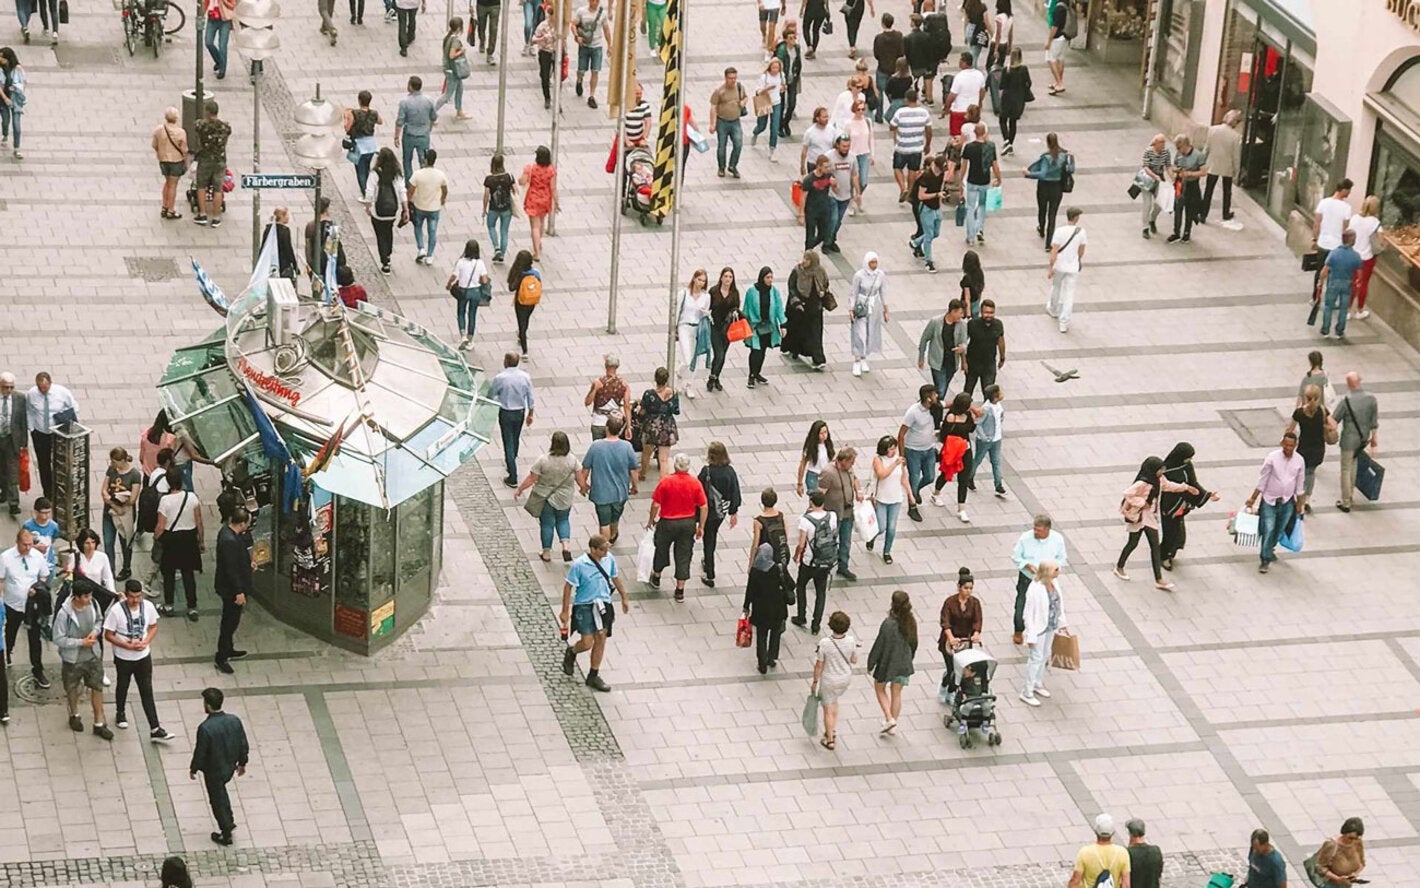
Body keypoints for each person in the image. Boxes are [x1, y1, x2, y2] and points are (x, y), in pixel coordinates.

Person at [103, 579, 173, 742]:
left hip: (143, 656)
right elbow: (108, 635)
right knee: (123, 685)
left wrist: (146, 641)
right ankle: (120, 712)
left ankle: (155, 727)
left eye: (138, 596)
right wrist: (126, 645)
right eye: (132, 597)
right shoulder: (116, 611)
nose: (135, 600)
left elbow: (153, 626)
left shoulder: (147, 607)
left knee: (147, 690)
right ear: (126, 595)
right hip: (123, 657)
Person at [559, 535, 630, 692]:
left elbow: (615, 577)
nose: (606, 552)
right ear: (593, 549)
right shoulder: (579, 565)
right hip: (585, 605)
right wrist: (565, 610)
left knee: (601, 638)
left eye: (607, 549)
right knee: (586, 642)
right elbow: (568, 587)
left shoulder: (609, 559)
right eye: (602, 549)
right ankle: (572, 651)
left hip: (604, 604)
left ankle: (593, 675)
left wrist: (624, 596)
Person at [1115, 456, 1197, 590]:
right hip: (1138, 516)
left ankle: (1159, 579)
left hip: (1150, 518)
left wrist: (1186, 488)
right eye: (1160, 469)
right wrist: (1142, 503)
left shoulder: (1159, 480)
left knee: (1154, 546)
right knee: (1132, 543)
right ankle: (1119, 567)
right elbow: (1128, 494)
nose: (1162, 471)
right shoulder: (1143, 483)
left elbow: (1169, 486)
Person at [189, 687, 249, 845]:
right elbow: (243, 743)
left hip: (214, 770)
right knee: (222, 794)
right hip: (229, 765)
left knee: (217, 799)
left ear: (208, 705)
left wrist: (194, 768)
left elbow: (200, 752)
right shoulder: (234, 720)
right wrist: (242, 763)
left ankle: (226, 831)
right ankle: (229, 820)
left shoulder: (205, 728)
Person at [52, 581, 112, 740]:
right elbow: (58, 638)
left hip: (93, 655)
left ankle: (99, 723)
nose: (89, 599)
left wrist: (95, 632)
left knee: (97, 687)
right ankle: (74, 714)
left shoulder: (94, 604)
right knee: (72, 687)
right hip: (73, 659)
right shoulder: (64, 614)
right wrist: (81, 642)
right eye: (86, 596)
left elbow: (100, 620)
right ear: (76, 597)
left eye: (90, 595)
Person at [646, 453, 706, 603]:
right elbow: (703, 506)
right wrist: (701, 527)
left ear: (675, 466)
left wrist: (651, 520)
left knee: (661, 548)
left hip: (667, 522)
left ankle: (657, 576)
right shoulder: (695, 483)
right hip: (687, 523)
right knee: (684, 554)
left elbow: (655, 504)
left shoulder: (666, 481)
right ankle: (680, 590)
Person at [1244, 432, 1306, 574]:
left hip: (1287, 501)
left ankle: (1270, 549)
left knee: (1279, 530)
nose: (1288, 448)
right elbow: (1263, 480)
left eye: (1291, 445)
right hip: (1269, 500)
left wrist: (1299, 504)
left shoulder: (1299, 461)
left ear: (1295, 446)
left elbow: (1300, 484)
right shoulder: (1272, 458)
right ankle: (1265, 559)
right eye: (1286, 445)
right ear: (1282, 444)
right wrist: (1253, 498)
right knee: (1269, 529)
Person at [515, 431, 579, 563]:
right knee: (563, 520)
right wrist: (584, 487)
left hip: (546, 497)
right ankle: (565, 546)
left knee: (547, 524)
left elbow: (532, 478)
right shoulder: (572, 460)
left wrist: (520, 489)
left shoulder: (543, 460)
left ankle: (546, 553)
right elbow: (580, 478)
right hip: (565, 497)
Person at [153, 465, 204, 621]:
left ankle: (169, 605)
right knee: (188, 574)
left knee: (168, 573)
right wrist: (201, 540)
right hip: (189, 539)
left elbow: (161, 525)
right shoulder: (192, 498)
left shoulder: (165, 501)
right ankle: (192, 607)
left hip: (171, 540)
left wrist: (156, 537)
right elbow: (199, 521)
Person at [578, 415, 639, 543]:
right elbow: (633, 470)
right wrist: (634, 486)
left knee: (604, 522)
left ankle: (605, 547)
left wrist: (583, 486)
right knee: (615, 518)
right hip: (620, 492)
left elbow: (585, 469)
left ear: (607, 429)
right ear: (620, 430)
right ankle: (613, 536)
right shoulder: (627, 447)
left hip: (601, 493)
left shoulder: (596, 446)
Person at [1, 528, 48, 691]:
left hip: (32, 605)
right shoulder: (6, 558)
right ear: (17, 542)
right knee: (10, 631)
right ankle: (7, 655)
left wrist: (38, 587)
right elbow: (1, 579)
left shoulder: (37, 557)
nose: (28, 548)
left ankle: (38, 670)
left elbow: (44, 575)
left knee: (35, 639)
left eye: (30, 544)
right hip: (12, 605)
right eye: (24, 544)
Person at [1158, 442, 1217, 570]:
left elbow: (1193, 482)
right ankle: (1164, 556)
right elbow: (1165, 488)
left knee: (1177, 530)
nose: (1189, 460)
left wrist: (1207, 495)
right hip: (1170, 505)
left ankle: (1170, 552)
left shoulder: (1187, 466)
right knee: (1170, 532)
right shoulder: (1165, 470)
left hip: (1182, 505)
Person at [866, 590, 916, 734]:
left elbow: (879, 645)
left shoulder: (888, 624)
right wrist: (910, 658)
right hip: (904, 662)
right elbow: (914, 642)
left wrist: (871, 663)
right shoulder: (911, 621)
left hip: (887, 663)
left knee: (879, 688)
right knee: (897, 693)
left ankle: (889, 719)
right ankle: (893, 723)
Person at [1019, 559, 1065, 706]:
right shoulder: (1035, 588)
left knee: (1045, 655)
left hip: (1051, 626)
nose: (1058, 571)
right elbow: (1028, 613)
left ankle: (1037, 684)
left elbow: (1059, 604)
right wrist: (1030, 634)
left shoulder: (1054, 583)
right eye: (1056, 569)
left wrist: (1062, 623)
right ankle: (1027, 691)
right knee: (1036, 658)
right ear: (1048, 572)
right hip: (1038, 629)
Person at [929, 392, 980, 523]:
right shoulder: (951, 417)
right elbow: (944, 435)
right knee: (946, 473)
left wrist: (974, 419)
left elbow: (971, 429)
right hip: (952, 451)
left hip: (966, 450)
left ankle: (961, 509)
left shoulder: (968, 415)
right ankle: (936, 493)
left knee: (964, 479)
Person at [1332, 370, 1379, 514]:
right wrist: (1374, 439)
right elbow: (1374, 421)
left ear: (1348, 384)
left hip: (1348, 439)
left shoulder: (1345, 401)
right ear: (1360, 381)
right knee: (1354, 464)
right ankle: (1350, 495)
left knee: (1346, 469)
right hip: (1363, 438)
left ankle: (1346, 501)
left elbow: (1334, 421)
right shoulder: (1371, 398)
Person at [810, 611, 857, 750]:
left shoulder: (825, 643)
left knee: (827, 709)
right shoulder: (851, 641)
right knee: (834, 701)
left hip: (830, 679)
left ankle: (829, 739)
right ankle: (832, 729)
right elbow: (854, 660)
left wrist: (814, 682)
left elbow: (819, 665)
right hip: (845, 678)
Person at [213, 507, 251, 674]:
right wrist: (239, 591)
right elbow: (231, 568)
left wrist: (248, 565)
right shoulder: (229, 540)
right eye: (247, 523)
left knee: (232, 621)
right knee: (229, 622)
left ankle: (228, 648)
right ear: (241, 523)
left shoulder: (227, 533)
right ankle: (221, 656)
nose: (248, 526)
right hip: (230, 590)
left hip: (230, 586)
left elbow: (236, 560)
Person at [489, 352, 536, 487]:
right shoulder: (525, 377)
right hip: (520, 412)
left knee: (507, 441)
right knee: (515, 438)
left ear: (507, 362)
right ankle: (512, 461)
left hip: (506, 412)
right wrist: (530, 413)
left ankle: (512, 474)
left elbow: (492, 393)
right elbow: (530, 396)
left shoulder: (501, 378)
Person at [792, 490, 836, 633]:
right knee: (821, 592)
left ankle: (801, 616)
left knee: (801, 586)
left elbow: (801, 543)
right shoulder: (832, 516)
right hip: (825, 560)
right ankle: (816, 625)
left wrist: (796, 555)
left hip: (809, 561)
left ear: (811, 502)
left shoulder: (805, 520)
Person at [697, 442, 740, 587]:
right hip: (721, 511)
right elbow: (735, 492)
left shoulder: (706, 471)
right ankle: (707, 561)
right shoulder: (730, 471)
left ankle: (710, 573)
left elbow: (697, 489)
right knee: (712, 535)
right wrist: (733, 512)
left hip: (706, 510)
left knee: (708, 541)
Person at [742, 541, 786, 675]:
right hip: (777, 607)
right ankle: (771, 658)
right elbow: (789, 584)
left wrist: (746, 606)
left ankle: (762, 664)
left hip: (760, 609)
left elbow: (749, 590)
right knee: (775, 633)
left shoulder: (755, 570)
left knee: (761, 636)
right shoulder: (777, 569)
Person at [818, 448, 862, 581]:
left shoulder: (849, 469)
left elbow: (854, 479)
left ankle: (843, 567)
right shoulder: (828, 472)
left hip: (847, 512)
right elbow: (820, 493)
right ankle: (824, 566)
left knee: (846, 541)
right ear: (843, 461)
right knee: (829, 542)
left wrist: (858, 491)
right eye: (851, 462)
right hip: (833, 515)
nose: (852, 465)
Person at [897, 384, 939, 521]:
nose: (937, 396)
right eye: (934, 394)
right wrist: (902, 455)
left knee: (930, 476)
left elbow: (949, 404)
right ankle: (912, 507)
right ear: (928, 398)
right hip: (913, 451)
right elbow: (901, 434)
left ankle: (915, 492)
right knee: (914, 478)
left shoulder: (935, 408)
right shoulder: (913, 412)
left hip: (929, 449)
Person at [866, 437, 910, 564]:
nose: (894, 451)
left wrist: (910, 495)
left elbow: (903, 478)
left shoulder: (899, 460)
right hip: (881, 498)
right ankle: (872, 537)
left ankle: (887, 551)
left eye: (894, 448)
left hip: (896, 498)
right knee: (881, 527)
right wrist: (894, 464)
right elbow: (882, 474)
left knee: (891, 528)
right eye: (891, 449)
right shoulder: (878, 459)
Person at [956, 122, 1001, 245]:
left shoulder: (969, 147)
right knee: (982, 206)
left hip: (972, 180)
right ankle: (979, 229)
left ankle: (970, 237)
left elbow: (964, 166)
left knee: (970, 208)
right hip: (985, 181)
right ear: (985, 132)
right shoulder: (990, 146)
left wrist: (960, 181)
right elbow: (995, 165)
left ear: (975, 133)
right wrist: (999, 178)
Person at [783, 251, 830, 370]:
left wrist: (823, 292)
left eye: (807, 259)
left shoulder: (820, 271)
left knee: (815, 334)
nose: (804, 261)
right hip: (800, 307)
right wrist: (796, 301)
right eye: (804, 258)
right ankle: (794, 349)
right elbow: (791, 286)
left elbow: (825, 283)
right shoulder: (798, 271)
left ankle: (818, 359)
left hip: (815, 308)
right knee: (798, 331)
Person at [937, 567, 981, 695]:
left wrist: (976, 633)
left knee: (962, 669)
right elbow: (945, 622)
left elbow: (977, 620)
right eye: (965, 588)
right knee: (951, 669)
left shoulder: (975, 603)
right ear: (959, 587)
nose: (968, 591)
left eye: (971, 588)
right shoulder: (950, 602)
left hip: (964, 641)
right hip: (949, 642)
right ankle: (946, 686)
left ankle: (953, 691)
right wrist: (950, 637)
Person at [364, 148, 407, 275]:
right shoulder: (397, 173)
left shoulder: (375, 173)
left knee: (380, 235)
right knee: (388, 231)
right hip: (392, 210)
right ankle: (388, 254)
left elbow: (369, 191)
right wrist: (405, 209)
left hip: (378, 211)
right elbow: (402, 191)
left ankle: (384, 261)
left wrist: (368, 206)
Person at [101, 448, 142, 581]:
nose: (113, 464)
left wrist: (119, 504)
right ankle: (110, 570)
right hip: (110, 511)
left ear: (123, 460)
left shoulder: (134, 475)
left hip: (125, 514)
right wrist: (111, 502)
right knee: (108, 542)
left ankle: (126, 567)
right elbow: (104, 488)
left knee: (125, 541)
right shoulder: (111, 469)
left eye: (115, 461)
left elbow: (132, 499)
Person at [743, 267, 786, 389]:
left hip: (768, 327)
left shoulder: (774, 291)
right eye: (767, 277)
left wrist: (783, 324)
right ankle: (751, 374)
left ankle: (757, 373)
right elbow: (747, 308)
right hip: (756, 327)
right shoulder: (752, 291)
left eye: (771, 277)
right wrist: (745, 323)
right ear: (762, 278)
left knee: (762, 351)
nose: (770, 280)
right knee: (755, 350)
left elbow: (779, 308)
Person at [1024, 132, 1070, 247]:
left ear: (1048, 143)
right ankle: (1049, 243)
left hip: (1044, 186)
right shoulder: (1064, 155)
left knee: (1042, 209)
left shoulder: (1046, 157)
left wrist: (1029, 174)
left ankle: (1041, 227)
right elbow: (1071, 169)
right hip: (1057, 187)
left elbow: (1043, 174)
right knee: (1052, 214)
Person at [1311, 178, 1353, 300]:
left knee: (1319, 271)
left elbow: (1316, 223)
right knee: (1333, 274)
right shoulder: (1346, 208)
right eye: (1349, 191)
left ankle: (1316, 296)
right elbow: (1345, 229)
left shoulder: (1324, 203)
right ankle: (1330, 298)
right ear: (1344, 190)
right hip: (1337, 246)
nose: (1349, 194)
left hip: (1323, 242)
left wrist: (1315, 239)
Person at [1316, 229, 1363, 339]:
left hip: (1333, 282)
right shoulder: (1356, 256)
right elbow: (1359, 274)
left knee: (1328, 306)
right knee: (1343, 308)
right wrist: (1357, 283)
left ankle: (1325, 330)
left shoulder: (1334, 253)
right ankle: (1339, 331)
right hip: (1347, 283)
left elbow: (1325, 270)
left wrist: (1320, 282)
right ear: (1352, 241)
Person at [191, 100, 232, 227]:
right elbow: (228, 130)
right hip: (220, 160)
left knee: (201, 186)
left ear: (207, 112)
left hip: (205, 159)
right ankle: (216, 217)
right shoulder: (225, 127)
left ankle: (202, 214)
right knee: (218, 189)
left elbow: (196, 125)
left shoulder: (202, 125)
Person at [1047, 206, 1087, 333]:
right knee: (1069, 294)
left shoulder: (1059, 231)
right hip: (1073, 267)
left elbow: (1054, 250)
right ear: (1076, 218)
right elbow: (1081, 250)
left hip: (1059, 265)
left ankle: (1053, 309)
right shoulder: (1081, 232)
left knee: (1056, 286)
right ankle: (1064, 322)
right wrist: (1078, 260)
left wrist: (1050, 266)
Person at [406, 148, 449, 265]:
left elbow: (410, 190)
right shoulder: (440, 175)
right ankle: (430, 255)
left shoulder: (417, 174)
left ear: (425, 159)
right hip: (434, 208)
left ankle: (421, 248)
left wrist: (407, 202)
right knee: (432, 231)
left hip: (419, 206)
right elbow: (445, 189)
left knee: (418, 227)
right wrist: (442, 199)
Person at [917, 300, 967, 401]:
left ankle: (928, 402)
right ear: (953, 311)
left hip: (952, 362)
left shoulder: (962, 325)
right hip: (938, 361)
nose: (961, 316)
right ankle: (932, 407)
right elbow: (924, 339)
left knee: (942, 388)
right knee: (941, 389)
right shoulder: (936, 322)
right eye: (960, 313)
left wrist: (963, 354)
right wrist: (921, 357)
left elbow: (963, 342)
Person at [848, 253, 889, 376]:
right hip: (862, 305)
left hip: (874, 306)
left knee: (870, 332)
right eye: (871, 263)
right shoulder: (859, 275)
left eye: (875, 262)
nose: (874, 265)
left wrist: (886, 309)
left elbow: (883, 291)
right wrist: (851, 308)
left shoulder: (880, 275)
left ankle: (864, 358)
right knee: (859, 333)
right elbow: (853, 292)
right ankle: (856, 359)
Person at [889, 89, 932, 203]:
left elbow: (892, 126)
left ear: (906, 99)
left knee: (897, 168)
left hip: (902, 147)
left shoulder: (900, 112)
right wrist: (927, 145)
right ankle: (910, 190)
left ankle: (903, 187)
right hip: (917, 148)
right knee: (913, 170)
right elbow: (928, 130)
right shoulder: (924, 113)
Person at [447, 238, 490, 350]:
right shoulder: (480, 263)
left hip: (463, 291)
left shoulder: (461, 262)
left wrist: (449, 284)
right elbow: (485, 280)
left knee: (461, 312)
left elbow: (454, 275)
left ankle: (463, 335)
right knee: (472, 314)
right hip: (475, 292)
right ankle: (470, 340)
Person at [1067, 814, 1132, 888]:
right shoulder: (1122, 853)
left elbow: (1075, 880)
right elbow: (1126, 884)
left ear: (1096, 831)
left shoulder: (1085, 852)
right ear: (1113, 832)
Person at [675, 270, 712, 399]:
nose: (701, 283)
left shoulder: (706, 297)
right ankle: (680, 372)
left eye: (703, 281)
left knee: (695, 359)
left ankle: (689, 384)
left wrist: (706, 314)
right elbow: (677, 310)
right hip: (684, 326)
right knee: (687, 359)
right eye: (699, 280)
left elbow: (706, 313)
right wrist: (674, 328)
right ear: (694, 279)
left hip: (698, 328)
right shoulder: (684, 294)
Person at [1201, 110, 1241, 223]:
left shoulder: (1212, 130)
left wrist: (1201, 162)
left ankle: (1203, 214)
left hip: (1213, 164)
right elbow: (1236, 156)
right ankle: (1225, 213)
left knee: (1208, 190)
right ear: (1235, 122)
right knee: (1227, 191)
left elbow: (1206, 148)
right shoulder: (1235, 136)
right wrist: (1236, 171)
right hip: (1227, 167)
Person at [519, 146, 558, 262]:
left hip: (533, 199)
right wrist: (556, 202)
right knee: (541, 222)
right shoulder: (551, 170)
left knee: (535, 227)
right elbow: (553, 188)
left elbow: (522, 181)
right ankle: (539, 243)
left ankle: (536, 252)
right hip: (545, 199)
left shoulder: (530, 169)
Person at [1167, 134, 1207, 244]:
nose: (1178, 150)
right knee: (1177, 208)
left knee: (1190, 210)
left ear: (1185, 145)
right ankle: (1176, 232)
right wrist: (1176, 170)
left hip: (1192, 185)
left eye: (1179, 148)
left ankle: (1186, 233)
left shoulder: (1198, 156)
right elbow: (1174, 166)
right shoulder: (1179, 154)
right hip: (1180, 184)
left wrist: (1190, 173)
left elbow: (1203, 172)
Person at [910, 154, 946, 273]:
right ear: (935, 165)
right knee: (929, 236)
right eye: (940, 168)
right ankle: (928, 262)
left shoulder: (941, 174)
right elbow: (921, 196)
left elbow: (940, 189)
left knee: (935, 233)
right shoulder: (926, 176)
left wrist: (939, 204)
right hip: (925, 208)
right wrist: (936, 195)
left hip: (936, 208)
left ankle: (915, 242)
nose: (942, 171)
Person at [1347, 195, 1382, 319]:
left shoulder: (1354, 218)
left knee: (1351, 282)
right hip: (1367, 257)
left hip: (1353, 255)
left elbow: (1349, 233)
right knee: (1363, 284)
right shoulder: (1375, 223)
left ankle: (1346, 310)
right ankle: (1359, 310)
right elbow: (1381, 241)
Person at [709, 67, 748, 179]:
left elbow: (746, 97)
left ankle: (732, 165)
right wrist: (712, 124)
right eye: (731, 78)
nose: (733, 80)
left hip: (735, 121)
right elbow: (713, 107)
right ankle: (721, 167)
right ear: (726, 78)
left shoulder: (740, 87)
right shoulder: (719, 91)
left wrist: (743, 103)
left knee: (738, 143)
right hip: (722, 122)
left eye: (735, 78)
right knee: (722, 146)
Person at [343, 91, 383, 197]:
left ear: (359, 100)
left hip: (359, 145)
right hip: (370, 145)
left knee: (360, 170)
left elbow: (347, 128)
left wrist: (346, 117)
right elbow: (380, 121)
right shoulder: (374, 113)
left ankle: (366, 194)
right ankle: (370, 189)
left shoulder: (354, 113)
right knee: (367, 167)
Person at [572, 0, 611, 108]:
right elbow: (573, 24)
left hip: (597, 46)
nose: (596, 2)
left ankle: (591, 96)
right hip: (584, 45)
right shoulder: (581, 11)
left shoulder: (602, 14)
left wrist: (609, 45)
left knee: (595, 71)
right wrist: (576, 36)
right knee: (581, 69)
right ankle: (579, 80)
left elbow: (606, 30)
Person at [394, 76, 436, 176]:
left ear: (410, 87)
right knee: (423, 160)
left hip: (409, 135)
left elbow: (400, 121)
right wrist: (429, 127)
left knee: (407, 160)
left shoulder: (404, 102)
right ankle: (423, 179)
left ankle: (409, 184)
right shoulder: (429, 100)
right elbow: (434, 117)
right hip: (424, 135)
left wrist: (396, 137)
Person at [707, 268, 741, 392]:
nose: (727, 279)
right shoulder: (714, 291)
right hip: (715, 327)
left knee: (723, 354)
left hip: (727, 328)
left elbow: (737, 307)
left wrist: (735, 313)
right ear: (721, 277)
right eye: (725, 276)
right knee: (719, 354)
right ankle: (712, 377)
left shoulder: (734, 293)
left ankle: (716, 377)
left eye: (730, 277)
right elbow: (708, 306)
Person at [963, 299, 1004, 399]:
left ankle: (987, 413)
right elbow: (964, 342)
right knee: (968, 391)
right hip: (972, 363)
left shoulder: (998, 324)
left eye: (991, 312)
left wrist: (1002, 357)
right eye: (986, 312)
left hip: (989, 364)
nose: (989, 315)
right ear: (981, 312)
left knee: (989, 392)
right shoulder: (972, 324)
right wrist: (963, 361)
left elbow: (1001, 340)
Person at [152, 107, 188, 220]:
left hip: (163, 160)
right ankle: (170, 210)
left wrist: (159, 152)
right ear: (176, 118)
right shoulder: (181, 132)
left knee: (167, 182)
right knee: (173, 185)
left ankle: (164, 206)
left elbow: (154, 145)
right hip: (176, 161)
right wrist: (186, 160)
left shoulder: (158, 129)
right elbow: (184, 149)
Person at [585, 355, 630, 441]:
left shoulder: (598, 382)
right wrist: (628, 426)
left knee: (599, 450)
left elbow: (587, 402)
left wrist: (594, 389)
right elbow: (627, 406)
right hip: (615, 422)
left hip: (598, 421)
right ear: (617, 367)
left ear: (606, 366)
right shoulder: (624, 384)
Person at [483, 154, 517, 263]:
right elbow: (516, 190)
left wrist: (484, 209)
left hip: (494, 208)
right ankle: (502, 254)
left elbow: (486, 195)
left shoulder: (489, 179)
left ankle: (496, 247)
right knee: (504, 231)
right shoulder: (509, 176)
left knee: (491, 226)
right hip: (507, 209)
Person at [972, 384, 1005, 496]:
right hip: (985, 441)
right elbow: (978, 424)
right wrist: (984, 437)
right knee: (978, 460)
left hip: (997, 439)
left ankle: (998, 485)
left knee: (996, 462)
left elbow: (1000, 418)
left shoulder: (998, 406)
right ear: (995, 396)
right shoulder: (985, 409)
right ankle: (969, 478)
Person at [752, 57, 787, 161]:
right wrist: (767, 89)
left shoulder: (781, 75)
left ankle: (772, 149)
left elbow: (783, 86)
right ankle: (756, 132)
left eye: (777, 67)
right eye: (773, 67)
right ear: (770, 67)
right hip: (765, 102)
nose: (775, 70)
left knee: (775, 126)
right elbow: (758, 92)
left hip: (776, 103)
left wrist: (783, 88)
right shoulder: (764, 77)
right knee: (762, 125)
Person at [1314, 818, 1366, 888]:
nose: (1353, 841)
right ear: (1344, 833)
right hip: (1330, 884)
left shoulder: (1358, 842)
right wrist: (1338, 879)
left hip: (1346, 885)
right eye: (1350, 838)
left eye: (1356, 838)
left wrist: (1355, 874)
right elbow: (1320, 868)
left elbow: (1362, 863)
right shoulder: (1331, 845)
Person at [942, 53, 986, 135]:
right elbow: (982, 91)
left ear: (964, 63)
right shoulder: (979, 75)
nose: (959, 62)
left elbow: (952, 96)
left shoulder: (959, 77)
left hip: (959, 111)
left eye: (960, 60)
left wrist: (946, 108)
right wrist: (979, 102)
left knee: (956, 136)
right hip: (973, 111)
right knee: (972, 134)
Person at [508, 250, 542, 356]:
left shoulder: (519, 274)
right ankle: (522, 334)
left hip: (521, 301)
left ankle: (525, 350)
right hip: (532, 301)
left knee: (521, 322)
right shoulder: (535, 273)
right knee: (526, 319)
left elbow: (511, 288)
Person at [0, 372, 24, 518]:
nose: (8, 390)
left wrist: (24, 443)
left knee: (12, 470)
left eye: (11, 387)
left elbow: (23, 421)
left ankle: (13, 503)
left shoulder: (19, 398)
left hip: (11, 439)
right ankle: (3, 492)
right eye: (5, 387)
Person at [871, 13, 903, 121]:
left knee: (879, 92)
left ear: (882, 23)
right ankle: (894, 111)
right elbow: (901, 52)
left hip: (882, 68)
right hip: (894, 69)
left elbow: (876, 54)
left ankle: (879, 115)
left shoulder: (879, 38)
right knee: (892, 92)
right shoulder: (898, 36)